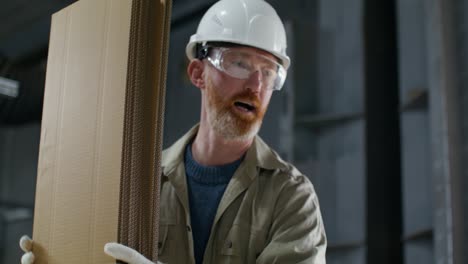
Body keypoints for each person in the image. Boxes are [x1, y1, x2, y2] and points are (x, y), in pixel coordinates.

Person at [20, 0, 327, 263]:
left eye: (268, 71)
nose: (256, 85)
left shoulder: (291, 198)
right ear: (197, 73)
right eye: (239, 64)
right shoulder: (140, 186)